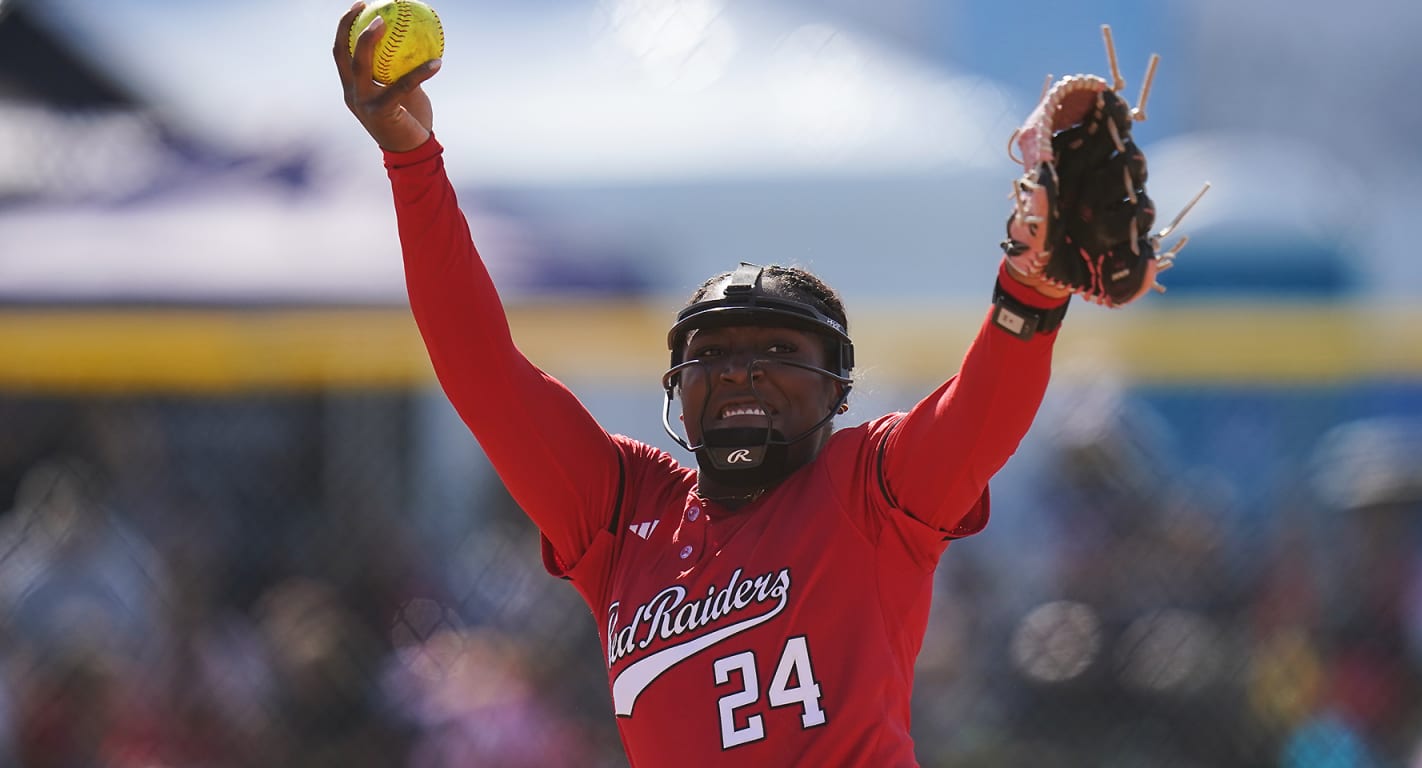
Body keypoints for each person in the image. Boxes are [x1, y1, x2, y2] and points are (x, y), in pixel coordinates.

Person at [333, 4, 1154, 764]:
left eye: (778, 349)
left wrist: (1030, 292)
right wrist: (411, 158)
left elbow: (981, 415)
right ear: (676, 387)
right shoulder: (624, 511)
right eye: (714, 353)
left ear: (837, 392)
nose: (740, 370)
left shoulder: (867, 489)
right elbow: (478, 367)